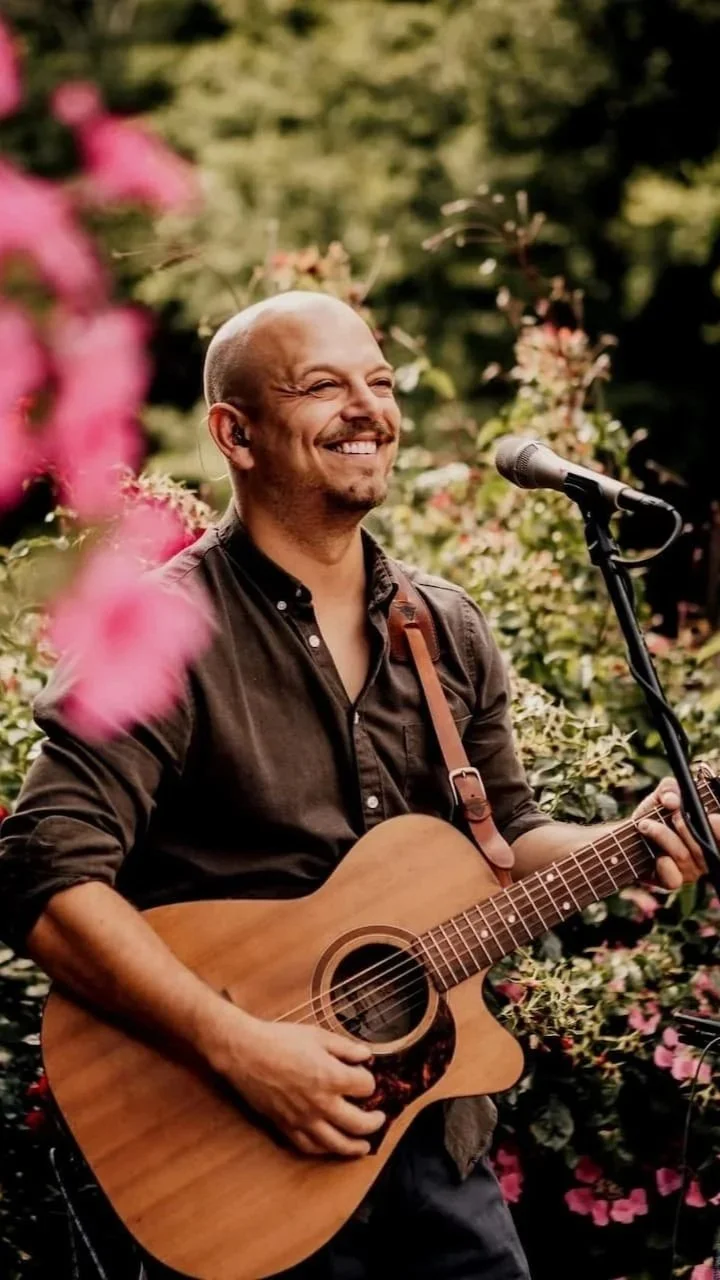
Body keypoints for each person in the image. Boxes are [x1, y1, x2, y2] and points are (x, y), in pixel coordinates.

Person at [0, 291, 711, 1280]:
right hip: (231, 1148)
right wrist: (239, 1047)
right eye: (322, 384)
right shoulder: (165, 635)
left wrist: (634, 841)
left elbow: (510, 837)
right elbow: (42, 872)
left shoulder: (445, 627)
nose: (367, 406)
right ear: (233, 433)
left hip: (432, 1139)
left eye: (378, 381)